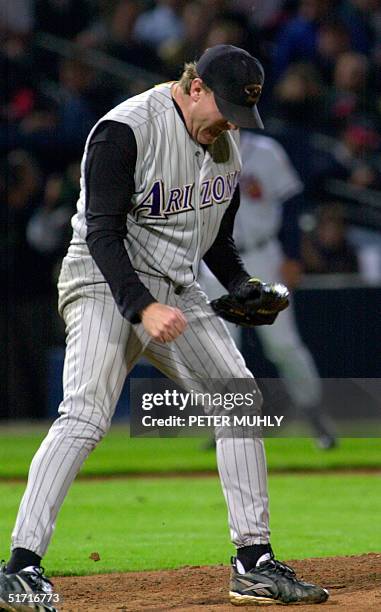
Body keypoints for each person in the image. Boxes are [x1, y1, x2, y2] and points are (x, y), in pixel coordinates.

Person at [0, 45, 329, 609]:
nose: (231, 122)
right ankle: (19, 566)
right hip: (104, 281)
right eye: (224, 107)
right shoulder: (124, 130)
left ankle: (253, 563)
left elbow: (217, 242)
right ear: (194, 86)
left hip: (178, 287)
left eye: (240, 113)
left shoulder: (226, 144)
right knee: (85, 413)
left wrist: (243, 284)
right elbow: (101, 232)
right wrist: (141, 307)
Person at [200, 130, 337, 448]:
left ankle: (315, 416)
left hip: (263, 256)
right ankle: (226, 424)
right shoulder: (195, 152)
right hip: (214, 260)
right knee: (221, 349)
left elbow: (291, 204)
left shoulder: (265, 151)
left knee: (284, 345)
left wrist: (292, 255)